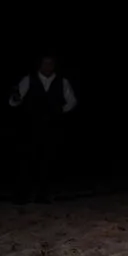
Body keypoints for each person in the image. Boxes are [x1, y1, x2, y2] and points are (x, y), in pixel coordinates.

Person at [8, 54, 78, 201]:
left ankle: (43, 194)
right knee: (26, 160)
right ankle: (22, 194)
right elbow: (13, 101)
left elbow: (72, 101)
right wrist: (16, 99)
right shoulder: (28, 79)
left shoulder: (62, 81)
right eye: (45, 63)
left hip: (52, 127)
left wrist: (59, 111)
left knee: (47, 160)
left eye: (50, 63)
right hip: (30, 126)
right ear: (40, 65)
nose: (48, 66)